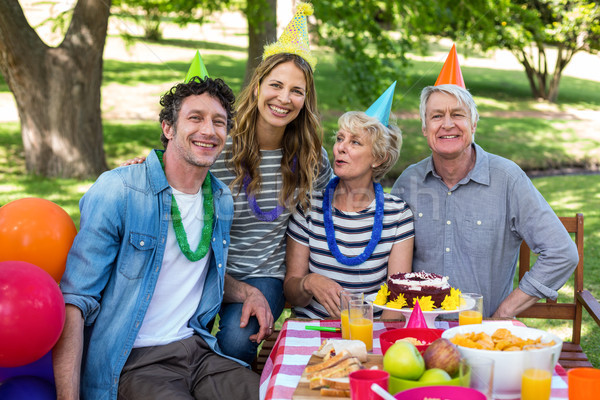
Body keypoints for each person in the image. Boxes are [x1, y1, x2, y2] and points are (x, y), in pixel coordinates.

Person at [121, 3, 332, 365]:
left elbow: (334, 205)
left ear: (306, 100)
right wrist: (148, 164)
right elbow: (178, 162)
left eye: (296, 91)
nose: (284, 98)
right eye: (276, 85)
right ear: (258, 87)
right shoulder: (219, 141)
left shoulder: (312, 157)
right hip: (201, 264)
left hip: (263, 272)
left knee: (237, 339)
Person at [52, 77, 260, 400]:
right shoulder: (119, 190)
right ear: (168, 128)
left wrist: (248, 292)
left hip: (199, 350)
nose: (209, 130)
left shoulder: (220, 200)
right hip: (135, 361)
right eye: (195, 118)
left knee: (275, 392)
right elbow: (74, 303)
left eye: (219, 122)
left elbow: (193, 268)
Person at [391, 46, 578, 318]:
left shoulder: (508, 179)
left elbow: (562, 252)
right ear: (424, 128)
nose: (447, 124)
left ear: (474, 123)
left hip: (481, 336)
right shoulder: (409, 182)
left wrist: (503, 313)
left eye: (458, 114)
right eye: (436, 116)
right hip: (419, 331)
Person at [284, 83, 415, 320]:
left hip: (368, 336)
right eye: (340, 138)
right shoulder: (308, 206)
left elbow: (395, 306)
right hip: (311, 333)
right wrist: (309, 282)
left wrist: (372, 347)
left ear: (379, 158)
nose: (340, 148)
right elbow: (293, 294)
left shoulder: (398, 215)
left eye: (355, 142)